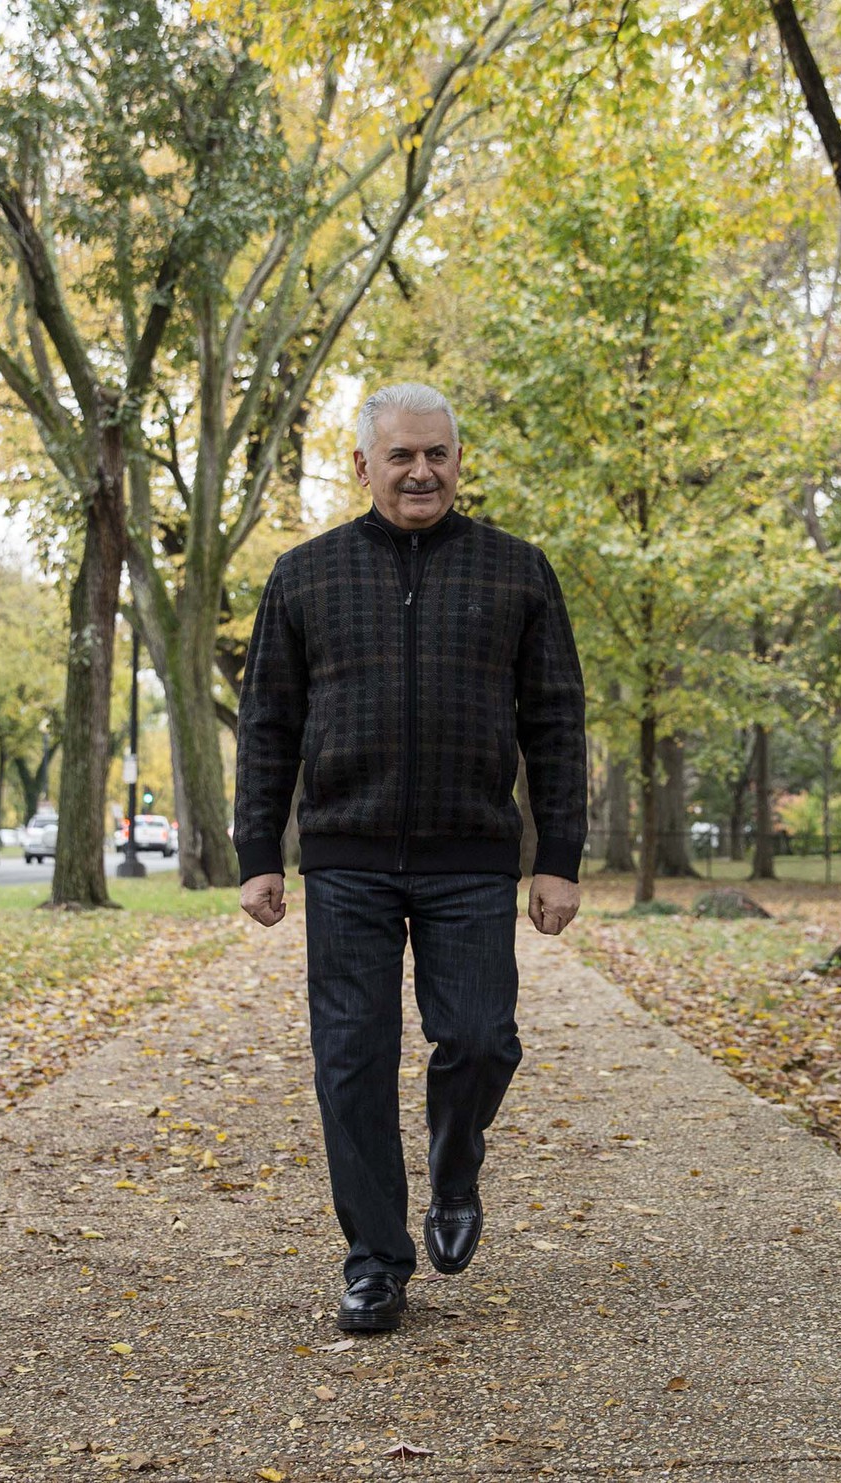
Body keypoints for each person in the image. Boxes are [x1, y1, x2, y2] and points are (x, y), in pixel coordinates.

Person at [232, 381, 587, 1335]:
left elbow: (556, 720)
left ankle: (454, 1161)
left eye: (437, 454)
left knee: (480, 1038)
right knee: (351, 1059)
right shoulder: (304, 575)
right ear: (364, 465)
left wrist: (558, 855)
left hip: (471, 855)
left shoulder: (518, 571)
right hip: (345, 856)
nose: (421, 471)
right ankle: (376, 1261)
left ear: (458, 461)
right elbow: (268, 722)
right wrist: (259, 849)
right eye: (402, 455)